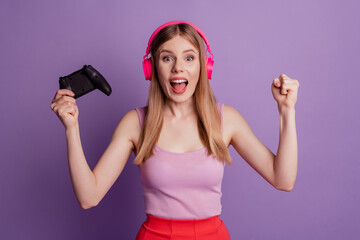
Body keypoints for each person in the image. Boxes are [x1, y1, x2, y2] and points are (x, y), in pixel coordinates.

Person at [50, 21, 299, 240]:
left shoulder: (226, 119)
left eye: (189, 58)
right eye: (167, 58)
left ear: (204, 67)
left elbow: (283, 179)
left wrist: (287, 111)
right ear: (152, 69)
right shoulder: (135, 123)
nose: (178, 68)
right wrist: (71, 128)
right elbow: (88, 197)